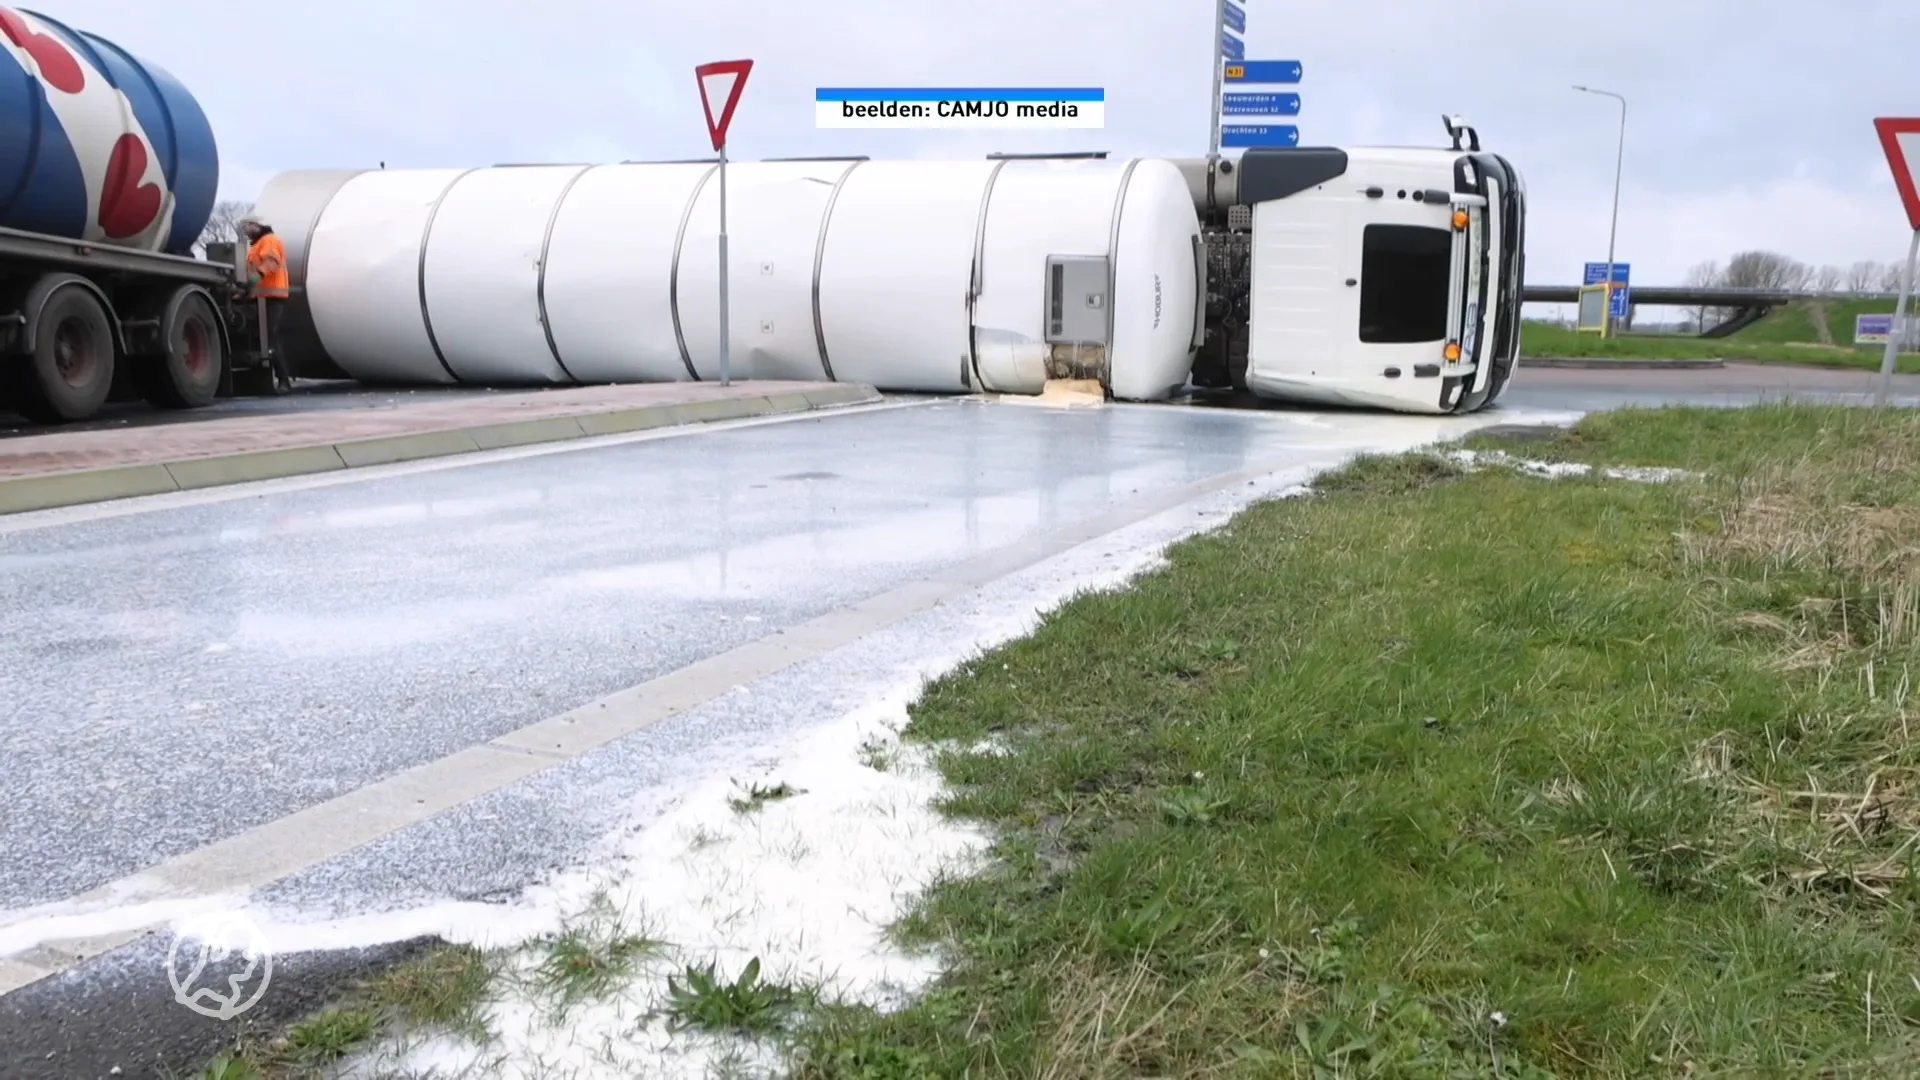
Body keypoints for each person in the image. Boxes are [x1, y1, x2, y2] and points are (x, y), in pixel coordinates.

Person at [241, 212, 293, 392]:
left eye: (248, 225)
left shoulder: (269, 240)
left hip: (273, 295)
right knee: (263, 338)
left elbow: (271, 261)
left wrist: (257, 276)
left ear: (257, 225)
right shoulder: (256, 246)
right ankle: (270, 380)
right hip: (262, 296)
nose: (246, 229)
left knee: (270, 336)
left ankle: (284, 380)